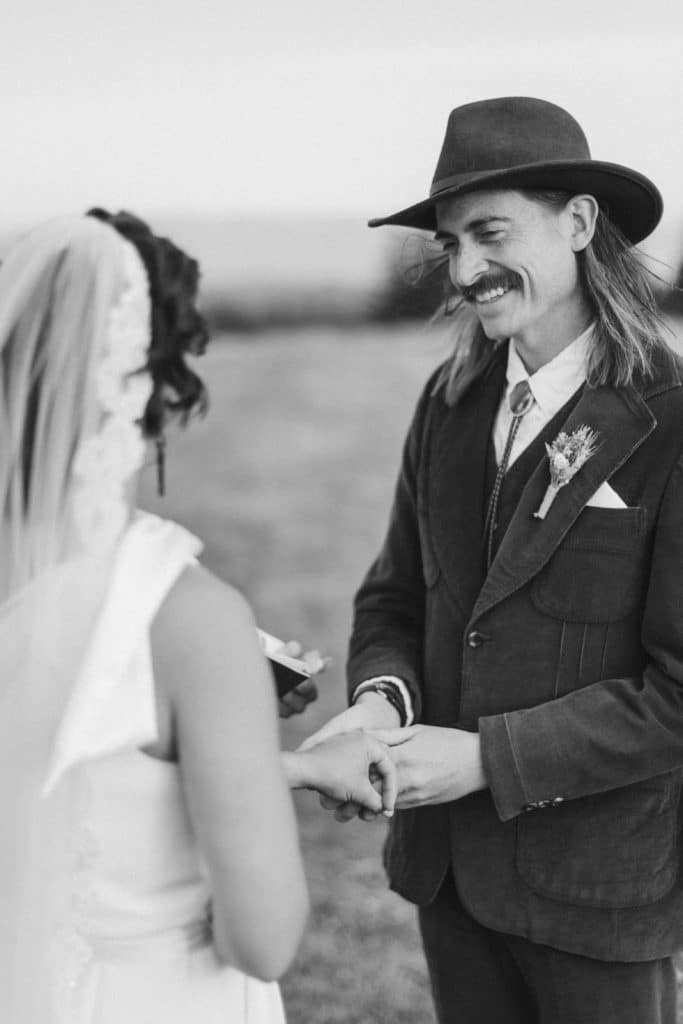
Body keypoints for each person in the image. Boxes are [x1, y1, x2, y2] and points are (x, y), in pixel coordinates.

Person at [304, 97, 683, 1024]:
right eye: (449, 243)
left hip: (597, 893)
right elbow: (394, 599)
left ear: (580, 224)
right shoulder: (450, 398)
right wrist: (376, 704)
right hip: (448, 881)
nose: (466, 269)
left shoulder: (670, 419)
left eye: (490, 233)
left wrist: (485, 760)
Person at [0, 211, 395, 1024]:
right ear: (153, 389)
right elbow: (263, 938)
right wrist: (229, 721)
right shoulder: (187, 621)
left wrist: (249, 750)